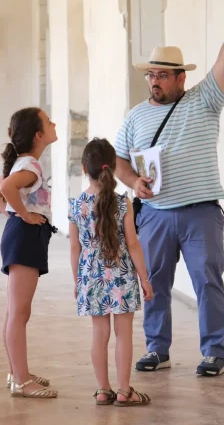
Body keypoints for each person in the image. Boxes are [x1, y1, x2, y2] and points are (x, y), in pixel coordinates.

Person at [114, 0, 224, 377]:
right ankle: (157, 349)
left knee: (207, 282)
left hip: (200, 213)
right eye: (150, 75)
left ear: (180, 78)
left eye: (162, 75)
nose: (154, 81)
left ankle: (214, 352)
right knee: (154, 283)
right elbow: (118, 161)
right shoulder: (136, 116)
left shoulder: (204, 100)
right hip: (155, 215)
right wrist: (133, 183)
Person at [68, 138, 153, 407]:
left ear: (84, 168)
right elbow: (133, 244)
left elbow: (75, 249)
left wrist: (77, 281)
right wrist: (144, 278)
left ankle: (103, 390)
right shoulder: (122, 203)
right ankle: (125, 391)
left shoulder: (76, 206)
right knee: (123, 334)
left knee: (99, 333)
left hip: (91, 277)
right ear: (114, 167)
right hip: (122, 275)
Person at [0, 107, 58, 398]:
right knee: (19, 312)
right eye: (48, 121)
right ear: (39, 135)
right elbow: (4, 187)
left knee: (15, 311)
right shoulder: (30, 166)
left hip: (22, 235)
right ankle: (20, 381)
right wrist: (24, 216)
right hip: (26, 237)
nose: (54, 123)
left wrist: (14, 214)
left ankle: (18, 373)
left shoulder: (22, 162)